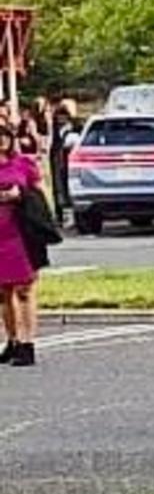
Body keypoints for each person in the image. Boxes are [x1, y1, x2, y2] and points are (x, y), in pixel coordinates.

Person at [0, 116, 49, 366]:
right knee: (3, 291)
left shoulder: (24, 164)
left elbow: (41, 194)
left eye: (4, 135)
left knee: (24, 289)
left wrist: (21, 194)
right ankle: (12, 340)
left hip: (20, 234)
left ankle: (28, 343)